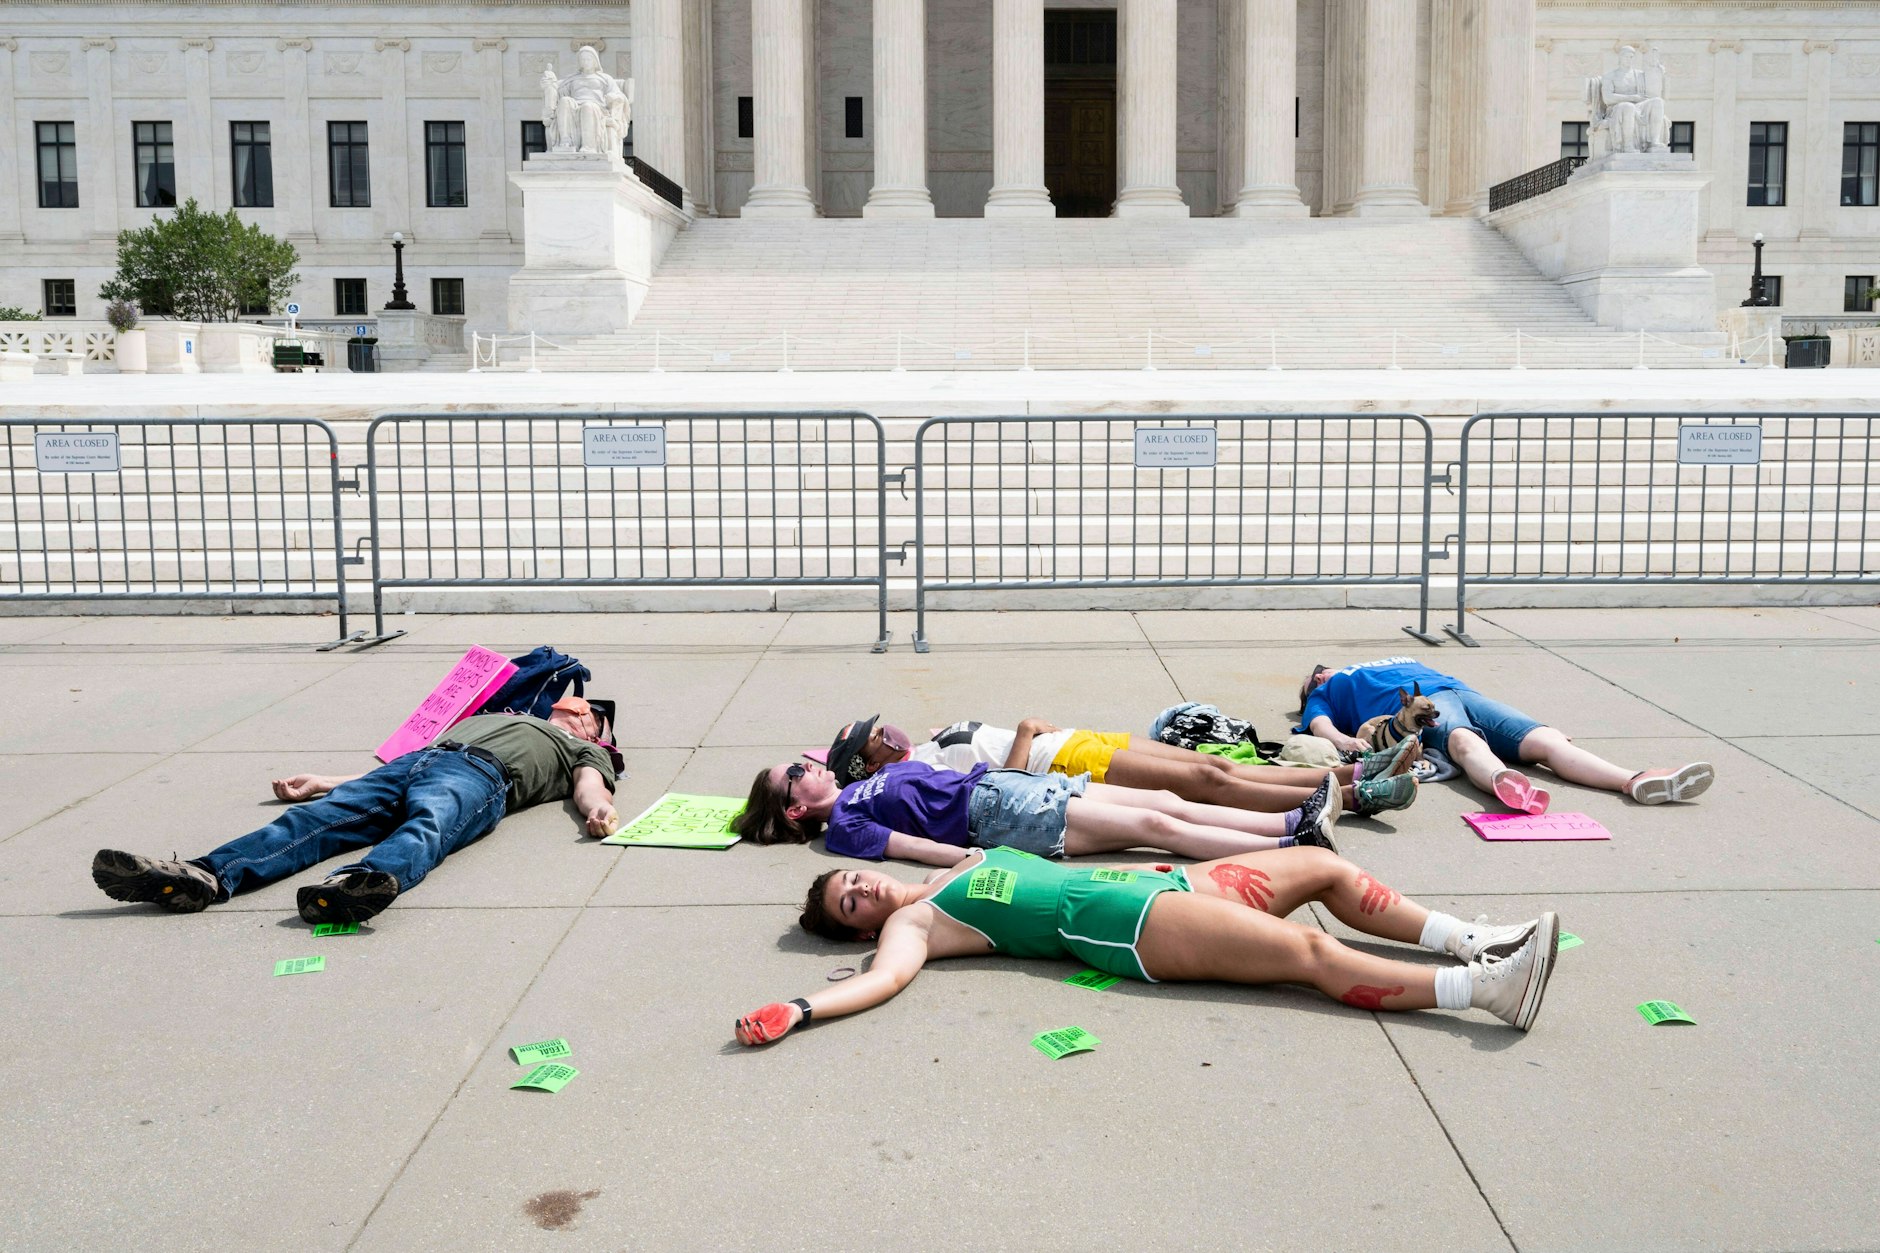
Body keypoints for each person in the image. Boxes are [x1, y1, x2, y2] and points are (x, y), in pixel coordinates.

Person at [732, 845, 1561, 1044]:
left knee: (1323, 868)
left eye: (854, 879)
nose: (865, 889)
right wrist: (803, 1006)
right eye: (851, 903)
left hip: (1162, 882)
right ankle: (1484, 989)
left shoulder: (952, 862)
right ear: (859, 927)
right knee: (1306, 957)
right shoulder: (916, 926)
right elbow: (882, 983)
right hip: (1128, 927)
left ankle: (1481, 937)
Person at [91, 695, 622, 925]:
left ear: (593, 730)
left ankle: (359, 884)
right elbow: (395, 769)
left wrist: (598, 812)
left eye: (589, 714)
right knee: (311, 820)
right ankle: (203, 876)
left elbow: (588, 786)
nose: (577, 711)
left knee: (428, 825)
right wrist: (324, 781)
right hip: (416, 761)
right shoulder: (497, 713)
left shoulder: (580, 747)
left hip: (480, 775)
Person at [732, 754, 1342, 867]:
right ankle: (1290, 849)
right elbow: (910, 847)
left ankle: (1291, 821)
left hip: (1009, 785)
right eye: (792, 774)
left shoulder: (868, 778)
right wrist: (974, 860)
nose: (803, 765)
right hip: (997, 819)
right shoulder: (842, 827)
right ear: (792, 811)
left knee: (1164, 801)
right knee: (1155, 829)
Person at [1298, 657, 1714, 814]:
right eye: (1319, 672)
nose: (1325, 669)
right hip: (1427, 709)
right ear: (1317, 680)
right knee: (1463, 742)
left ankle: (1635, 779)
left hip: (1459, 692)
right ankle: (1508, 783)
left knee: (1544, 739)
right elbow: (1320, 726)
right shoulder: (1327, 690)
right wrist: (1346, 741)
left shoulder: (1374, 664)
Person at [823, 714, 1419, 818]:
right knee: (1211, 783)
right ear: (865, 763)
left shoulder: (919, 751)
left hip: (1080, 739)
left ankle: (1350, 777)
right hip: (1060, 760)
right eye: (873, 738)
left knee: (1207, 762)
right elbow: (994, 787)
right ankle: (1357, 793)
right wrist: (1028, 730)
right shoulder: (913, 775)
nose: (884, 732)